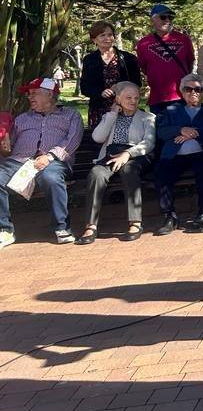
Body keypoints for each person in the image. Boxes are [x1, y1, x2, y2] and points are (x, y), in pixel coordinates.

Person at [0, 77, 83, 247]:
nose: (30, 97)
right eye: (29, 94)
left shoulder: (70, 115)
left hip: (54, 161)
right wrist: (5, 148)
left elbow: (72, 140)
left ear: (50, 95)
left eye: (34, 93)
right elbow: (10, 147)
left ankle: (62, 227)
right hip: (19, 161)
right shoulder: (22, 118)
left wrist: (49, 157)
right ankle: (5, 230)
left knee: (50, 178)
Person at [76, 82, 156, 244]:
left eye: (136, 97)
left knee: (129, 170)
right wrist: (112, 114)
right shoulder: (109, 117)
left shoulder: (147, 118)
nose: (133, 101)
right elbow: (97, 137)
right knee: (96, 173)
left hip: (135, 154)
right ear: (118, 99)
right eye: (128, 98)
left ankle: (135, 223)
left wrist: (128, 154)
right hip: (110, 154)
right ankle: (91, 225)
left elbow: (149, 143)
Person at [153, 75, 203, 235]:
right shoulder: (170, 110)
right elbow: (161, 132)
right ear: (181, 91)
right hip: (175, 155)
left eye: (198, 89)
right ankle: (170, 216)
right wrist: (180, 130)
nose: (193, 92)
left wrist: (195, 132)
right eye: (188, 89)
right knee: (161, 173)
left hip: (202, 153)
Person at [80, 20, 142, 129]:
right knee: (100, 140)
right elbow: (85, 87)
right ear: (94, 39)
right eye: (102, 35)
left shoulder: (128, 58)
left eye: (110, 35)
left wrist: (121, 87)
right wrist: (100, 92)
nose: (107, 38)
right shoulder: (89, 60)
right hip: (99, 109)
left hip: (124, 108)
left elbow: (137, 83)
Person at [136, 4, 195, 114]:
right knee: (162, 130)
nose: (167, 20)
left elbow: (189, 63)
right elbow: (144, 68)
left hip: (183, 96)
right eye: (163, 17)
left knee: (185, 129)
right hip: (157, 99)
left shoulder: (184, 39)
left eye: (170, 17)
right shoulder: (143, 43)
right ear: (152, 20)